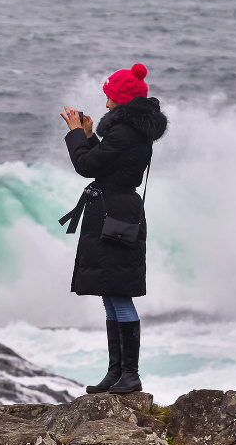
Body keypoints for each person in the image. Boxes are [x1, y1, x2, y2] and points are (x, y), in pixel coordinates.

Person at [59, 63, 167, 394]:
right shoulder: (131, 132)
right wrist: (90, 135)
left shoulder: (124, 133)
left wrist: (76, 133)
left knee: (118, 293)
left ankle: (129, 374)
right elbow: (106, 168)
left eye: (109, 98)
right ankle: (116, 372)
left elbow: (87, 166)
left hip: (114, 215)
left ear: (121, 100)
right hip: (116, 212)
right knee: (110, 292)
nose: (105, 104)